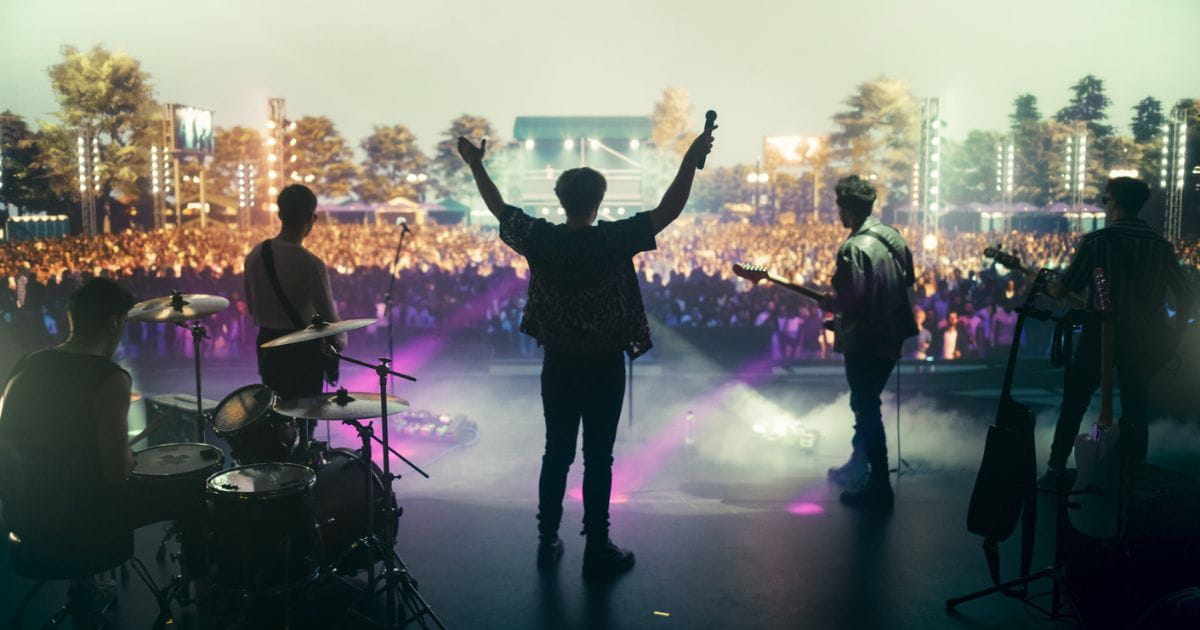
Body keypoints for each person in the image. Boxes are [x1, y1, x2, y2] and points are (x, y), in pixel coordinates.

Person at [458, 127, 715, 577]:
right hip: (604, 366)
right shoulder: (611, 240)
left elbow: (499, 208)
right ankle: (597, 547)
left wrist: (477, 164)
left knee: (556, 452)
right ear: (599, 200)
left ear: (562, 200)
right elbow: (669, 209)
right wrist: (690, 157)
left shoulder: (541, 239)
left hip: (558, 364)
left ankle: (546, 536)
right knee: (599, 457)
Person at [0, 278, 204, 616]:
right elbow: (114, 472)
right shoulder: (109, 378)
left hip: (24, 517)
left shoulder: (26, 364)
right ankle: (204, 596)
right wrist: (128, 457)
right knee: (194, 488)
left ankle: (85, 583)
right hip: (81, 524)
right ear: (114, 322)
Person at [1043, 177, 1193, 483]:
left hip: (1099, 333)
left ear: (1115, 202)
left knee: (1075, 400)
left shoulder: (1098, 242)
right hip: (1143, 337)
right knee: (1136, 406)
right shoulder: (1160, 247)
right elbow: (1186, 294)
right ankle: (1132, 473)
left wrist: (1052, 287)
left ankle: (1057, 468)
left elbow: (1065, 287)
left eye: (1105, 200)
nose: (1105, 206)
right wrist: (1174, 335)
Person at [820, 175, 918, 508]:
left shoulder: (853, 248)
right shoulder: (892, 236)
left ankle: (878, 484)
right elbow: (909, 278)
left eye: (838, 206)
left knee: (866, 408)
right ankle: (858, 464)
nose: (837, 213)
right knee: (866, 403)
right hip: (892, 335)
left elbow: (852, 301)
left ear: (846, 207)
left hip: (865, 341)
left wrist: (832, 305)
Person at [243, 185, 344, 445]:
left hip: (267, 348)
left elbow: (252, 308)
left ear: (280, 214)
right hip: (302, 354)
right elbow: (330, 323)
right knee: (304, 426)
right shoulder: (309, 262)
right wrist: (341, 342)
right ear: (312, 217)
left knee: (277, 424)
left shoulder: (255, 255)